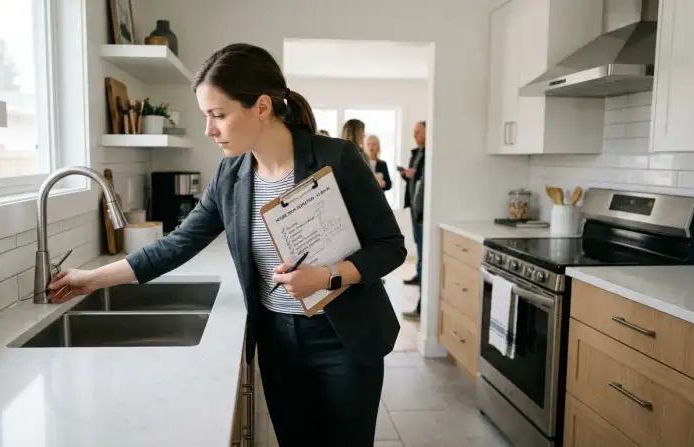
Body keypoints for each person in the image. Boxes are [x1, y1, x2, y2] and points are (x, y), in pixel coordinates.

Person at [46, 43, 405, 447]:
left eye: (219, 115)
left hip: (344, 339)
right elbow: (177, 244)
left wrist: (327, 276)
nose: (209, 129)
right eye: (206, 116)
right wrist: (92, 279)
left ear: (263, 107)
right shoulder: (231, 176)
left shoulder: (335, 159)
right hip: (278, 341)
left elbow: (390, 247)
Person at [399, 121, 425, 319]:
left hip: (424, 211)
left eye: (418, 131)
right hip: (416, 208)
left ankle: (422, 304)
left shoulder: (430, 154)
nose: (415, 135)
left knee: (424, 250)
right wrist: (408, 175)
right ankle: (419, 274)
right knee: (418, 244)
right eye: (414, 132)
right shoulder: (416, 153)